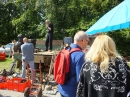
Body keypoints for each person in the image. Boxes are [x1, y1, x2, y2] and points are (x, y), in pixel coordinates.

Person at [58, 31, 89, 97]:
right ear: (83, 40)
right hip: (71, 92)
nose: (87, 43)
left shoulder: (65, 49)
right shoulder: (80, 55)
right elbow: (80, 79)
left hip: (61, 88)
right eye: (87, 41)